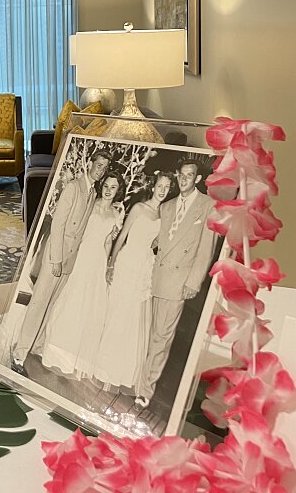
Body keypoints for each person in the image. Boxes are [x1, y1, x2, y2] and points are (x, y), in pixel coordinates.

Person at [11, 150, 112, 371]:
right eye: (99, 165)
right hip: (55, 257)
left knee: (53, 304)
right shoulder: (73, 188)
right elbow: (57, 225)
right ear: (90, 163)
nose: (101, 170)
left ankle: (36, 347)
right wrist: (56, 259)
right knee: (38, 304)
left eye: (104, 168)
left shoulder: (92, 193)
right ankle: (19, 354)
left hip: (70, 259)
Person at [135, 158, 217, 407]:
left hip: (179, 281)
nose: (183, 179)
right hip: (154, 278)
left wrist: (194, 282)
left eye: (189, 175)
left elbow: (206, 248)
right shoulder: (168, 206)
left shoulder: (208, 205)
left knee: (162, 336)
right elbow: (159, 240)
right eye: (181, 175)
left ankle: (145, 390)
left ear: (198, 179)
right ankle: (138, 378)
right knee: (147, 332)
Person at [93, 170, 176, 391]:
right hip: (126, 262)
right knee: (114, 311)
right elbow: (122, 237)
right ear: (153, 185)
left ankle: (117, 369)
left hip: (144, 268)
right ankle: (99, 364)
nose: (162, 190)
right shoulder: (139, 208)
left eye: (167, 188)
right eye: (160, 185)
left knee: (130, 317)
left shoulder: (165, 216)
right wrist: (111, 263)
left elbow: (159, 243)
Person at [39, 169, 126, 377]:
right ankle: (54, 350)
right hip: (81, 257)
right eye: (106, 186)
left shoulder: (116, 214)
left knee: (90, 307)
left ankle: (74, 356)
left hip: (97, 262)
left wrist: (107, 266)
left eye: (113, 188)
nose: (108, 190)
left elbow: (107, 242)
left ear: (118, 190)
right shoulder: (91, 204)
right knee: (70, 302)